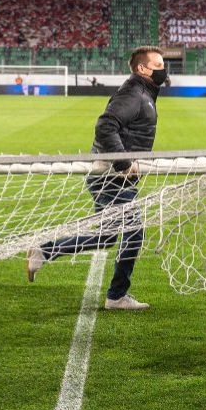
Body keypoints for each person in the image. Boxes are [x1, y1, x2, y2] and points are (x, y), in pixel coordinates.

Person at [26, 46, 168, 310]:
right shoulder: (133, 93)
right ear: (142, 69)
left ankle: (44, 251)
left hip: (115, 177)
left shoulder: (144, 93)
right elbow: (106, 125)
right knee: (134, 232)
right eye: (158, 64)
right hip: (111, 177)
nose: (164, 69)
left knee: (106, 237)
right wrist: (124, 162)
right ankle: (116, 296)